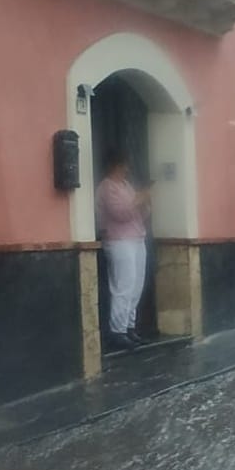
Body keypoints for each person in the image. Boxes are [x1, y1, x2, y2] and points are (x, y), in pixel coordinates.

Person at [95, 149, 150, 352]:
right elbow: (121, 214)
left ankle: (129, 326)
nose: (126, 170)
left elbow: (139, 215)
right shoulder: (107, 188)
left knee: (136, 284)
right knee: (123, 285)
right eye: (123, 165)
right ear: (114, 166)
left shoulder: (126, 186)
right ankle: (117, 331)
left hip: (136, 238)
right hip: (119, 240)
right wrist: (139, 199)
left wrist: (144, 203)